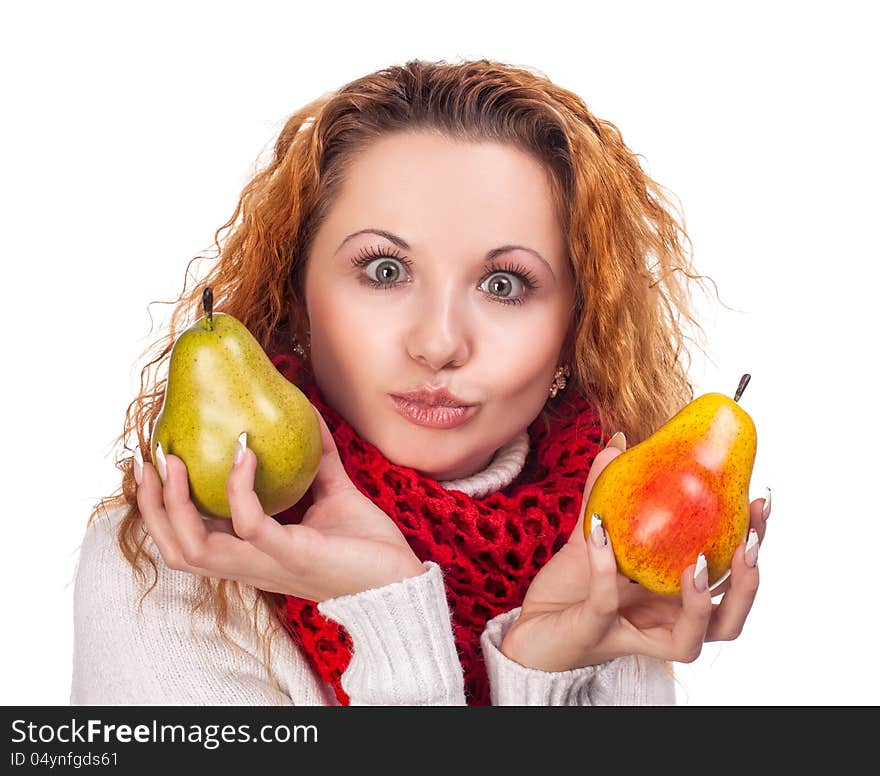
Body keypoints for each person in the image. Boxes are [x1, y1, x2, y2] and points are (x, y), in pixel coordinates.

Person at [70, 58, 770, 706]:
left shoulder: (610, 549)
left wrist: (547, 665)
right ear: (296, 298)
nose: (438, 344)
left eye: (504, 284)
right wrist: (387, 608)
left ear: (572, 335)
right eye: (384, 271)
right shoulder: (172, 559)